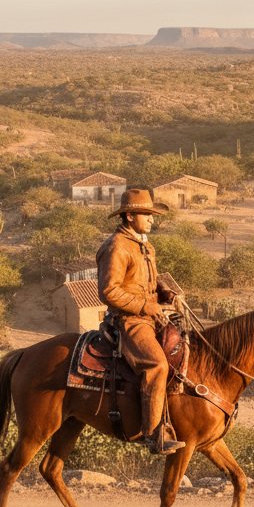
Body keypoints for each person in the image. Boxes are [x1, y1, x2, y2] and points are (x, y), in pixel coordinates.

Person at [96, 188, 185, 454]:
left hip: (149, 315)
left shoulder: (144, 245)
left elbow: (148, 280)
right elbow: (109, 291)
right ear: (130, 215)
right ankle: (153, 433)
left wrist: (165, 291)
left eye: (152, 215)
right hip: (130, 320)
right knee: (157, 365)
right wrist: (147, 305)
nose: (152, 219)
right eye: (147, 214)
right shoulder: (116, 247)